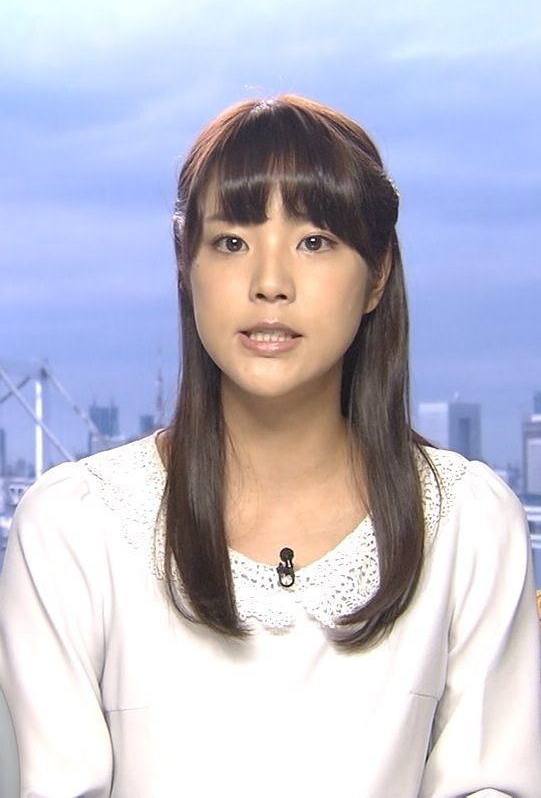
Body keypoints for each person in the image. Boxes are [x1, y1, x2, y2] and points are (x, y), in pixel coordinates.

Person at [0, 95, 540, 798]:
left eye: (315, 241)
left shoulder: (468, 523)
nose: (270, 285)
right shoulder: (74, 528)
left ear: (377, 275)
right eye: (232, 242)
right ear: (185, 264)